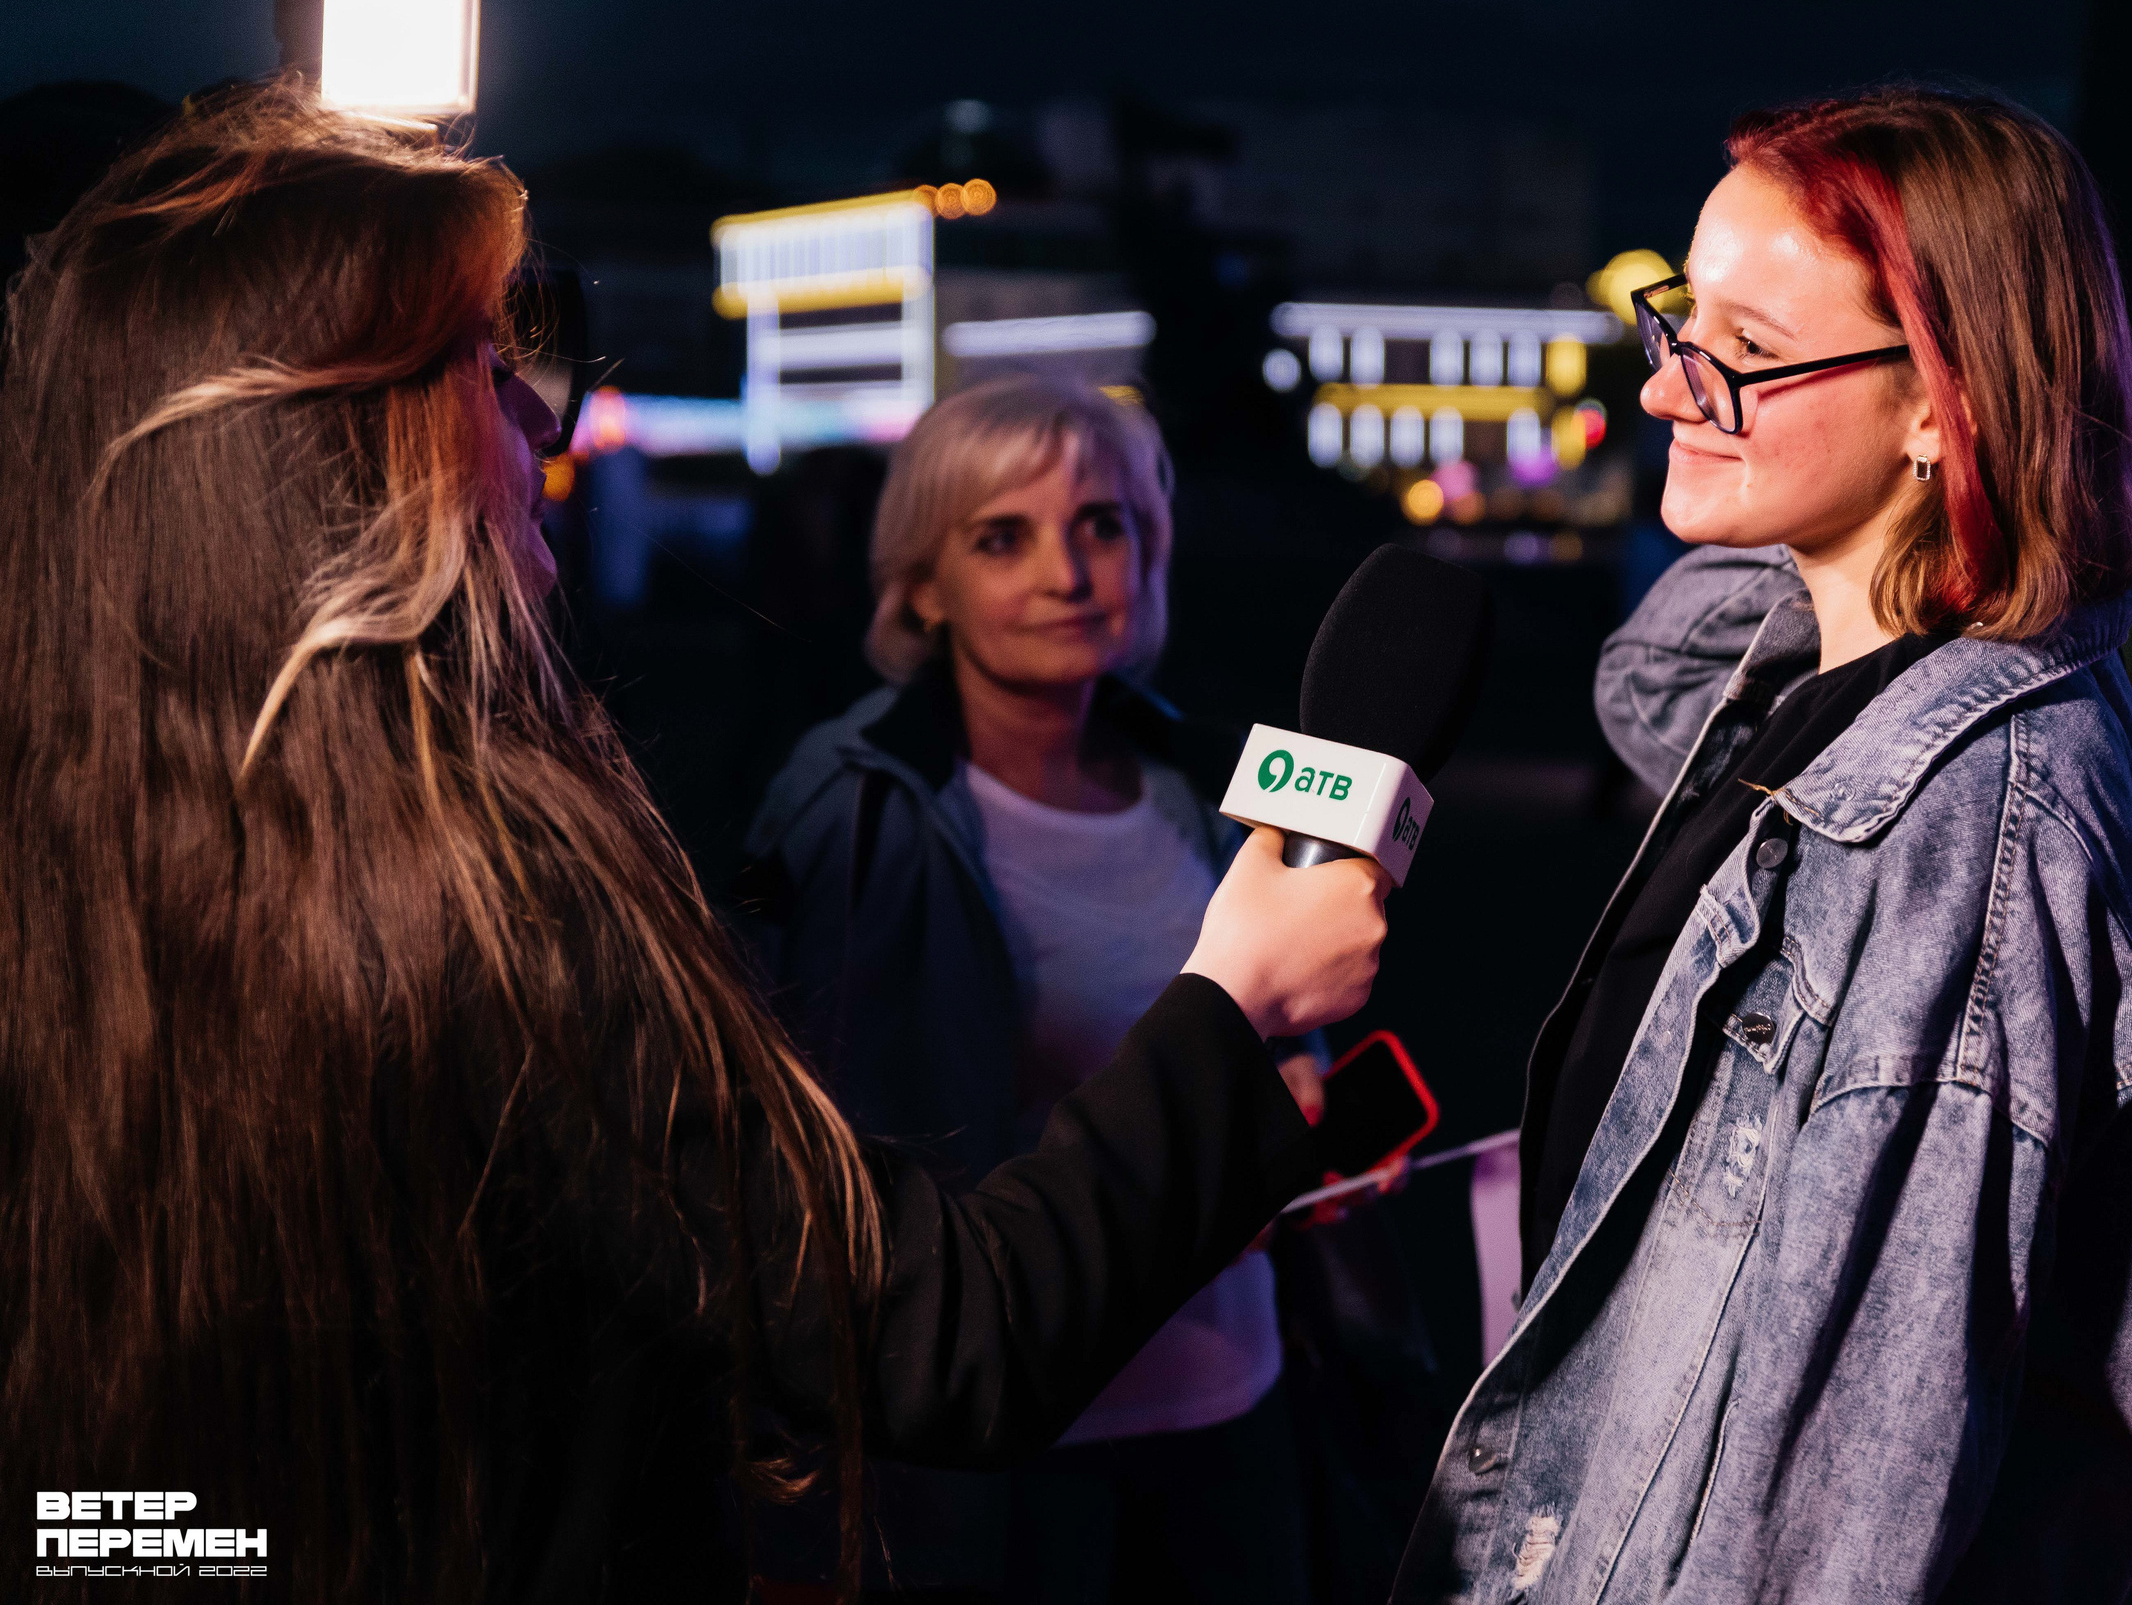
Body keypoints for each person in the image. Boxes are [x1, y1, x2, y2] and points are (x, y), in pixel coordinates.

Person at [0, 83, 1389, 1605]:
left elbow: (115, 1503)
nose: (541, 415)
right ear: (343, 445)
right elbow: (930, 1331)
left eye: (1107, 525)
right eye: (481, 359)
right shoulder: (497, 885)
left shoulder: (83, 844)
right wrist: (1235, 1001)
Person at [1395, 87, 2132, 1602]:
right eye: (1677, 326)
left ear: (1942, 405)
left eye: (1744, 356)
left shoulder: (1962, 834)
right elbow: (1650, 676)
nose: (1665, 393)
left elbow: (1847, 1499)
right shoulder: (1811, 671)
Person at [739, 375, 1325, 1602]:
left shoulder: (1193, 781)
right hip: (1014, 1459)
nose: (1067, 572)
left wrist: (1291, 1101)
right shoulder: (864, 811)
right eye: (1002, 537)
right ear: (921, 584)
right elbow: (863, 1179)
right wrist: (1202, 1171)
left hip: (1231, 1401)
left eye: (1102, 525)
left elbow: (1237, 1029)